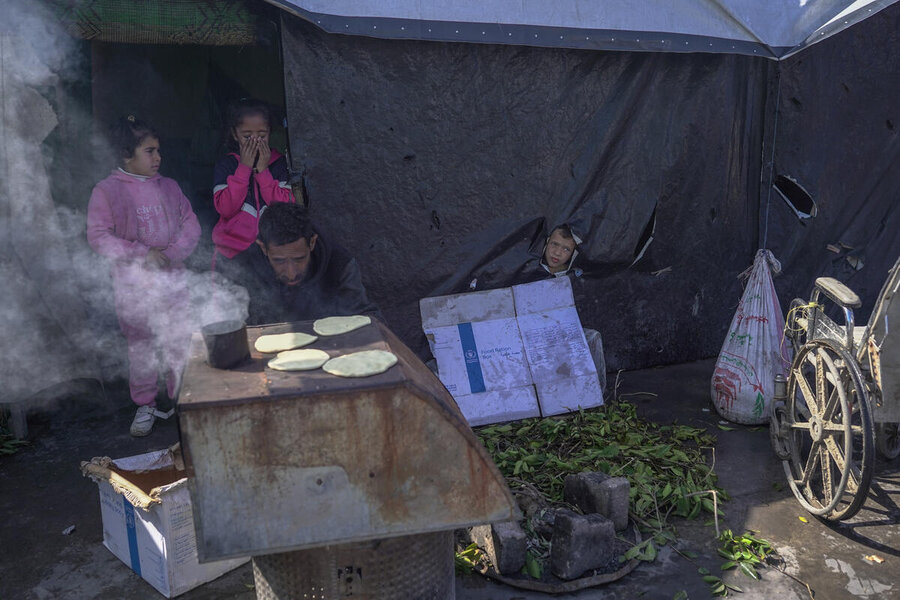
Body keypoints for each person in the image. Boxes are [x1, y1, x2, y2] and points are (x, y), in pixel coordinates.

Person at [87, 116, 201, 436]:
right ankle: (146, 403)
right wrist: (141, 253)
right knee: (141, 346)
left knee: (178, 337)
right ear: (126, 155)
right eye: (149, 151)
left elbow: (191, 224)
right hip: (132, 286)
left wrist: (173, 253)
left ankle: (183, 398)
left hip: (172, 278)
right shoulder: (107, 191)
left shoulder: (170, 187)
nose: (158, 157)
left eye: (158, 150)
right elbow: (98, 236)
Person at [239, 202, 378, 324]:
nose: (291, 273)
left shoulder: (339, 264)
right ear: (263, 248)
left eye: (299, 259)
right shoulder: (245, 268)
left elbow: (364, 317)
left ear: (312, 243)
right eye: (279, 261)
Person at [211, 99, 293, 279]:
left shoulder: (279, 165)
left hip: (273, 252)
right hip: (232, 252)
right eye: (247, 136)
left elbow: (285, 209)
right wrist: (244, 169)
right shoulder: (227, 165)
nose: (255, 142)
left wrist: (263, 172)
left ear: (270, 132)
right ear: (234, 134)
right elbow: (226, 208)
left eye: (262, 135)